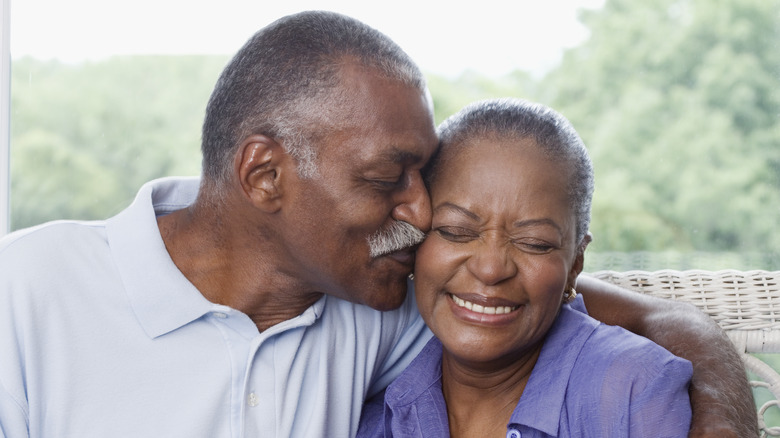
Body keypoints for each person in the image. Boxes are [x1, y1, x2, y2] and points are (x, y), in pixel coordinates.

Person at [0, 10, 754, 438]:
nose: (422, 215)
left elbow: (647, 319)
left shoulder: (378, 300)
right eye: (387, 178)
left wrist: (721, 416)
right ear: (265, 174)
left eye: (423, 177)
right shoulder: (26, 294)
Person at [357, 98, 693, 437]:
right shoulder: (374, 407)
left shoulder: (634, 393)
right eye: (456, 232)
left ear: (575, 262)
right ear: (416, 241)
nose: (490, 269)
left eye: (534, 243)